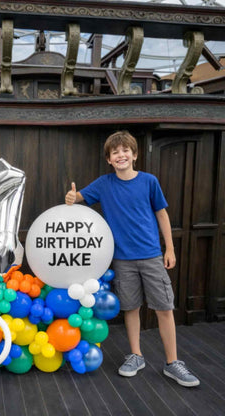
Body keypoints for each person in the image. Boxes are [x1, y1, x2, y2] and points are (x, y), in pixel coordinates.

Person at [65, 130, 200, 387]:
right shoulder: (104, 184)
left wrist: (169, 249)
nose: (121, 155)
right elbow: (79, 197)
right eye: (115, 152)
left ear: (134, 154)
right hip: (122, 260)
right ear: (109, 159)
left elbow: (162, 215)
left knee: (164, 309)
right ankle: (136, 355)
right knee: (131, 308)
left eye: (125, 150)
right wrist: (72, 197)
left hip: (151, 256)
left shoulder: (149, 181)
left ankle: (173, 363)